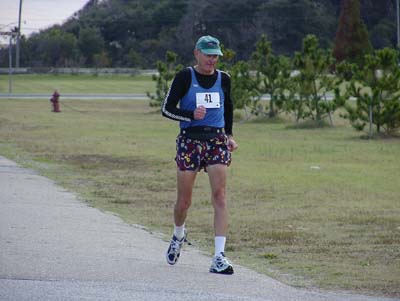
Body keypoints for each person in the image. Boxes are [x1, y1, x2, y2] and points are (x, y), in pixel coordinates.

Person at [161, 35, 238, 275]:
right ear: (197, 53)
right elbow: (167, 109)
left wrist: (229, 135)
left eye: (215, 55)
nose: (212, 60)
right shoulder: (185, 76)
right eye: (208, 54)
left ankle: (219, 257)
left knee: (220, 197)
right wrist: (190, 114)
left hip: (216, 140)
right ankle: (178, 235)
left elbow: (228, 107)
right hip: (190, 140)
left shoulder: (224, 78)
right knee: (184, 201)